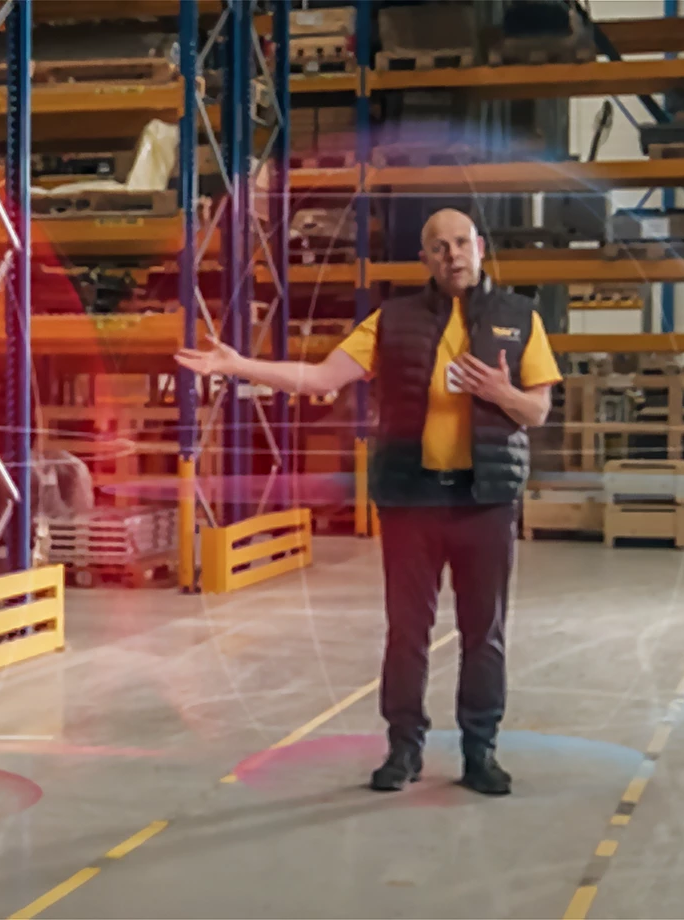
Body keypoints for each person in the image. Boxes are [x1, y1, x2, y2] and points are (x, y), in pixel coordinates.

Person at [175, 209, 562, 796]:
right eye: (438, 246)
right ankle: (403, 749)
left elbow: (537, 412)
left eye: (461, 243)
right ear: (425, 259)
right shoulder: (392, 321)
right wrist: (237, 365)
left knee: (484, 633)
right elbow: (319, 377)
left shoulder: (520, 317)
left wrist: (501, 392)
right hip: (412, 499)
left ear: (480, 248)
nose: (452, 255)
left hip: (486, 502)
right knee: (406, 630)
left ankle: (480, 751)